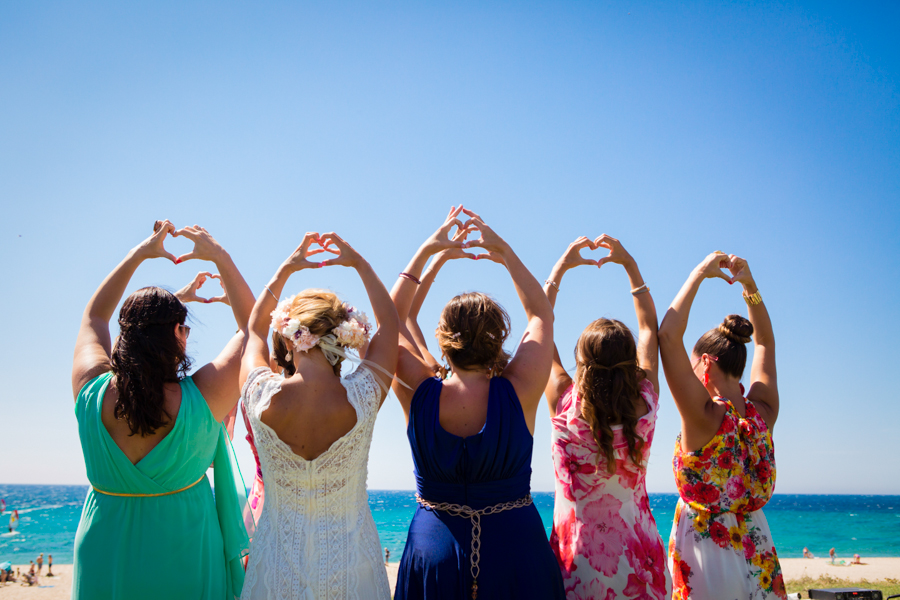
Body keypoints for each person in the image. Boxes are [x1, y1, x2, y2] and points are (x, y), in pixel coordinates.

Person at [70, 220, 254, 600]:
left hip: (104, 548)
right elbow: (255, 328)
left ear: (126, 335)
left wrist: (141, 253)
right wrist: (220, 256)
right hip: (185, 549)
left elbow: (94, 318)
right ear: (177, 334)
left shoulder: (90, 388)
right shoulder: (204, 397)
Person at [392, 207, 565, 600]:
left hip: (431, 551)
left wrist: (429, 253)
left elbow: (393, 321)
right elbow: (541, 312)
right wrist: (502, 250)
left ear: (441, 338)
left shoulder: (418, 391)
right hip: (517, 549)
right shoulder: (521, 388)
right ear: (497, 338)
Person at [239, 231, 399, 600]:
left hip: (276, 567)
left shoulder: (260, 393)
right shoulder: (365, 394)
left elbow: (251, 329)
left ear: (289, 334)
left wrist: (287, 268)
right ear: (345, 337)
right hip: (352, 569)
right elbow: (390, 324)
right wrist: (359, 263)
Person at [543, 235, 671, 599]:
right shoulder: (645, 404)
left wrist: (560, 271)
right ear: (630, 362)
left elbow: (539, 331)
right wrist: (630, 266)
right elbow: (649, 329)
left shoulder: (565, 404)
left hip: (577, 561)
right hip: (639, 555)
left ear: (581, 362)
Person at [659, 252, 785, 599]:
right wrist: (749, 285)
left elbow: (667, 335)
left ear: (704, 362)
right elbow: (764, 342)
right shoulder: (763, 412)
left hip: (707, 558)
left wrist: (699, 272)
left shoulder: (702, 417)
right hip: (759, 551)